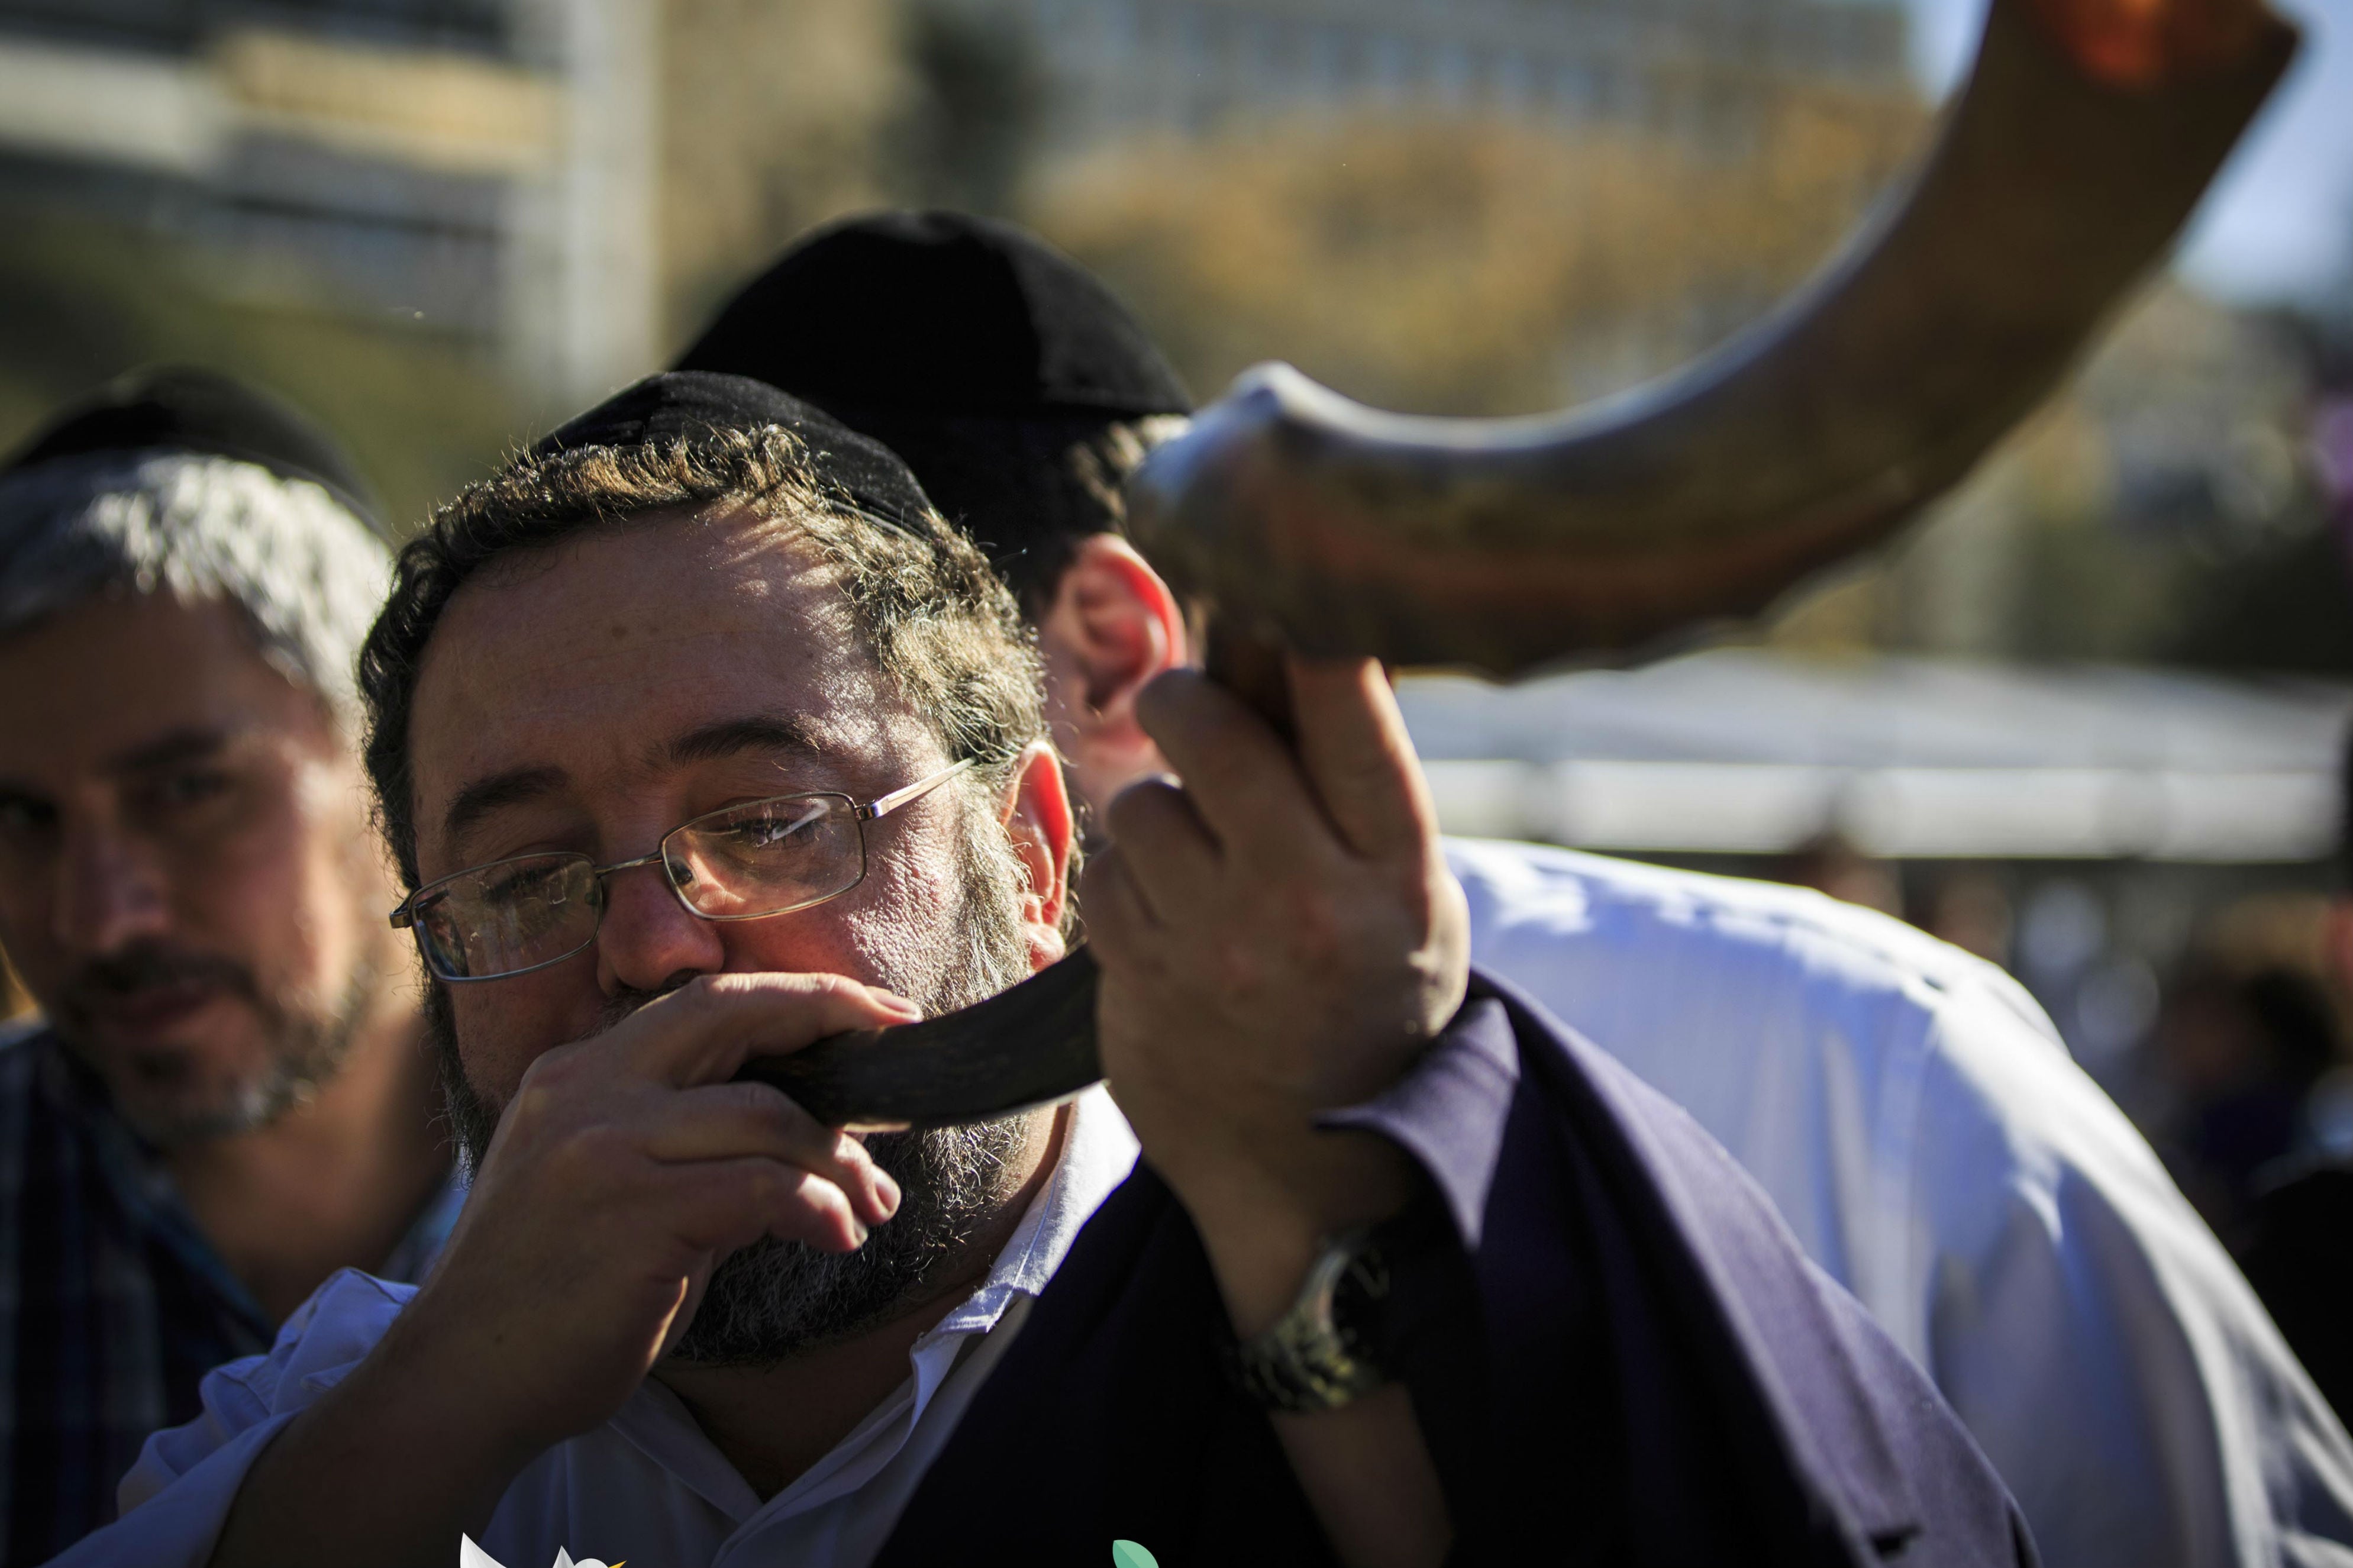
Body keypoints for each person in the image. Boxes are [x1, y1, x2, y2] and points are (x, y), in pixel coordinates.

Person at [62, 372, 2030, 1567]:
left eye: (771, 821)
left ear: (1029, 855)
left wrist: (1330, 1198)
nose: (653, 943)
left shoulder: (1311, 1251)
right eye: (521, 878)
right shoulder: (347, 1422)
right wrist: (450, 1400)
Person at [674, 209, 2353, 1568]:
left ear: (1110, 658)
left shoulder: (1869, 1081)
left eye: (763, 795)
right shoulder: (603, 1231)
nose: (674, 920)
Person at [0, 370, 464, 1562]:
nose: (99, 918)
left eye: (188, 791)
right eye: (21, 817)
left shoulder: (645, 1187)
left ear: (394, 763)